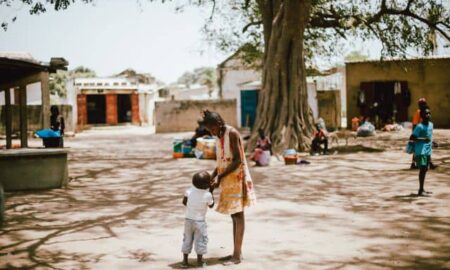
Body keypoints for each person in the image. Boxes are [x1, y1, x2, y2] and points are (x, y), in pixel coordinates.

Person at [203, 110, 256, 265]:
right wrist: (213, 176)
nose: (212, 133)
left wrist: (220, 176)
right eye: (209, 131)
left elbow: (237, 161)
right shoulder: (219, 137)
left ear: (219, 124)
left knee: (238, 215)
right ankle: (236, 252)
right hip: (227, 179)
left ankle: (237, 256)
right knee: (234, 215)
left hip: (236, 178)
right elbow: (221, 162)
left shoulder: (232, 133)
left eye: (212, 129)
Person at [181, 171, 214, 268]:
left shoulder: (189, 191)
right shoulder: (207, 195)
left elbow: (184, 202)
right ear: (207, 185)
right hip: (200, 222)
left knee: (187, 239)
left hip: (188, 220)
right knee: (201, 240)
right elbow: (211, 205)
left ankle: (185, 261)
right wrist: (211, 190)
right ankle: (199, 261)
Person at [409, 108, 433, 196]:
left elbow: (429, 136)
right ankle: (420, 190)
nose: (428, 115)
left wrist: (432, 142)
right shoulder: (419, 126)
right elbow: (412, 138)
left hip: (427, 151)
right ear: (422, 116)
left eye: (429, 113)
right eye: (426, 113)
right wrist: (423, 139)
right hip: (420, 151)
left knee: (425, 169)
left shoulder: (431, 125)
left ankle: (422, 189)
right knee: (423, 169)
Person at [410, 98, 437, 169]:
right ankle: (415, 164)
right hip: (419, 132)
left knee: (426, 147)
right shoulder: (418, 112)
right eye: (421, 104)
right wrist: (415, 134)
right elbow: (415, 124)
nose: (423, 105)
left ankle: (429, 163)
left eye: (424, 104)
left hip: (424, 132)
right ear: (419, 105)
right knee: (418, 148)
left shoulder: (425, 112)